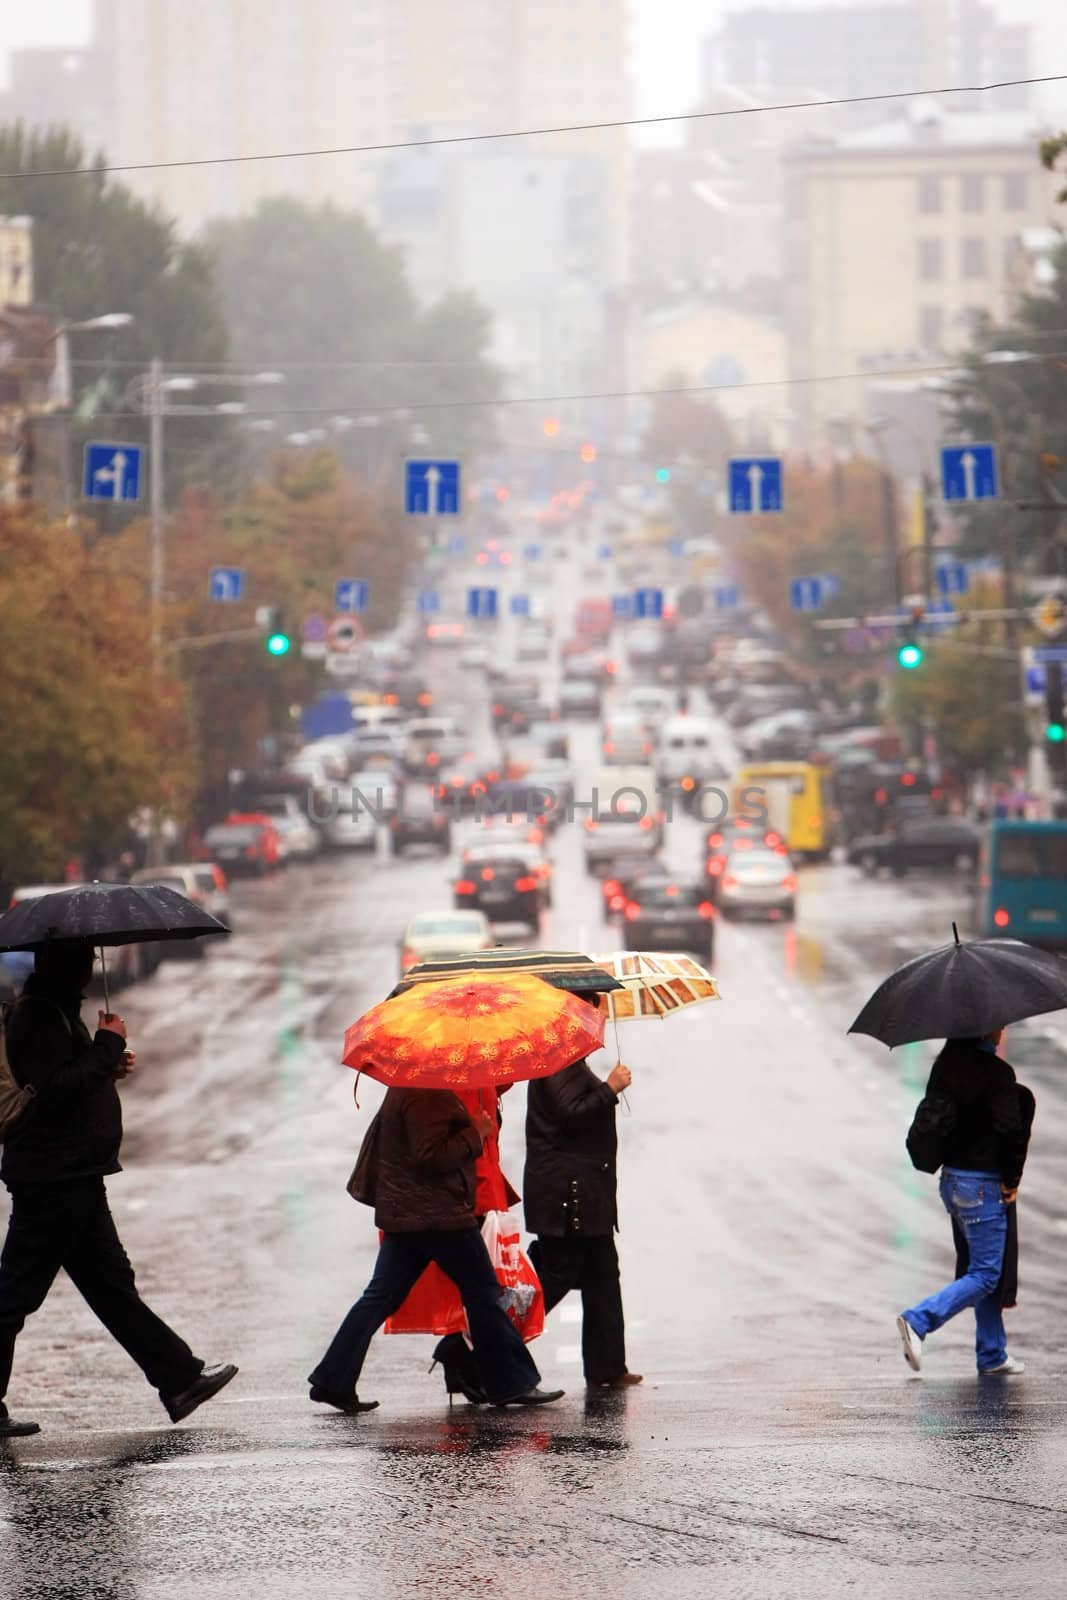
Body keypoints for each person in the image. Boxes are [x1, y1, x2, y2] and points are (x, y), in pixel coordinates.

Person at [0, 940, 237, 1438]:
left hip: (75, 1173)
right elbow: (57, 1088)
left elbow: (71, 1080)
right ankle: (179, 1379)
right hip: (52, 1178)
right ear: (68, 966)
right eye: (85, 958)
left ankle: (180, 1381)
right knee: (14, 1296)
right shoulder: (37, 1016)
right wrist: (106, 1045)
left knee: (113, 1288)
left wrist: (108, 1063)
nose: (92, 967)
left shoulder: (56, 1011)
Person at [309, 1085, 563, 1412]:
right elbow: (430, 1156)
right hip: (439, 1217)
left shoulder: (411, 1086)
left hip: (410, 1216)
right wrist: (476, 1133)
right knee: (483, 1293)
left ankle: (332, 1380)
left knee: (379, 1298)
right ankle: (510, 1383)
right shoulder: (426, 1092)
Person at [897, 1029, 1034, 1377]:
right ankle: (919, 1320)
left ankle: (991, 1352)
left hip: (953, 1181)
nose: (1003, 1030)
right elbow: (1008, 1130)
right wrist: (1012, 1179)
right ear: (988, 1031)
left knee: (982, 1266)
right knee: (988, 1274)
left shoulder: (946, 1066)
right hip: (984, 1186)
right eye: (999, 1026)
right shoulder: (997, 1074)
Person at [524, 1056, 642, 1390]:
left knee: (603, 1275)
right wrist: (610, 1088)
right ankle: (480, 1351)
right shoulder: (557, 1061)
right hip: (566, 1195)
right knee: (556, 1276)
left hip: (586, 1195)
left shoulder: (571, 1060)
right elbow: (570, 1114)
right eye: (596, 1008)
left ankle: (607, 1367)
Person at [430, 1086, 520, 1403]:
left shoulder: (479, 1078)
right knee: (482, 1290)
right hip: (472, 1195)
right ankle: (501, 1375)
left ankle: (463, 1359)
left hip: (482, 1189)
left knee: (478, 1291)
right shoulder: (456, 1083)